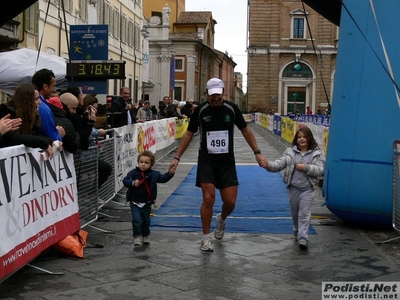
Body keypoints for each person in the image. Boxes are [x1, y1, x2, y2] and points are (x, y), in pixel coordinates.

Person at [169, 77, 267, 252]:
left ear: (223, 93)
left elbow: (245, 130)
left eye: (218, 95)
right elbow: (188, 134)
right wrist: (177, 158)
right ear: (207, 94)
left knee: (230, 202)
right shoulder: (201, 110)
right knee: (208, 198)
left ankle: (221, 219)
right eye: (212, 95)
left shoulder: (231, 109)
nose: (215, 99)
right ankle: (206, 238)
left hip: (226, 162)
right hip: (206, 160)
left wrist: (257, 153)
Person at [263, 126, 324, 250]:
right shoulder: (290, 152)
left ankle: (303, 238)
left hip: (308, 189)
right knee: (295, 213)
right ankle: (296, 230)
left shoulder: (316, 154)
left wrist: (306, 167)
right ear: (296, 139)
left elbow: (320, 170)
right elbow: (279, 164)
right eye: (299, 137)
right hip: (294, 188)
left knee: (304, 214)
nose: (302, 139)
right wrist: (268, 165)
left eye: (304, 137)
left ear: (309, 139)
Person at [123, 150, 175, 246]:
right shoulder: (133, 173)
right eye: (141, 162)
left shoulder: (153, 174)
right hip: (134, 202)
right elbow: (125, 181)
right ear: (138, 162)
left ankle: (145, 235)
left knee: (146, 220)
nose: (143, 165)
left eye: (146, 163)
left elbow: (163, 179)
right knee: (137, 219)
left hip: (146, 202)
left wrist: (170, 174)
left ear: (151, 164)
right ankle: (137, 236)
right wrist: (133, 183)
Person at [0, 84, 60, 158]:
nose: (40, 102)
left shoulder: (30, 115)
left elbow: (33, 134)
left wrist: (52, 142)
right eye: (36, 99)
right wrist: (44, 143)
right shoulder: (7, 114)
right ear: (26, 101)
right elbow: (16, 137)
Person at [32, 68, 65, 141]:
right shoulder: (43, 108)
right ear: (45, 87)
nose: (55, 90)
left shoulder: (42, 106)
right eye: (53, 86)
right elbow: (52, 138)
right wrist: (59, 135)